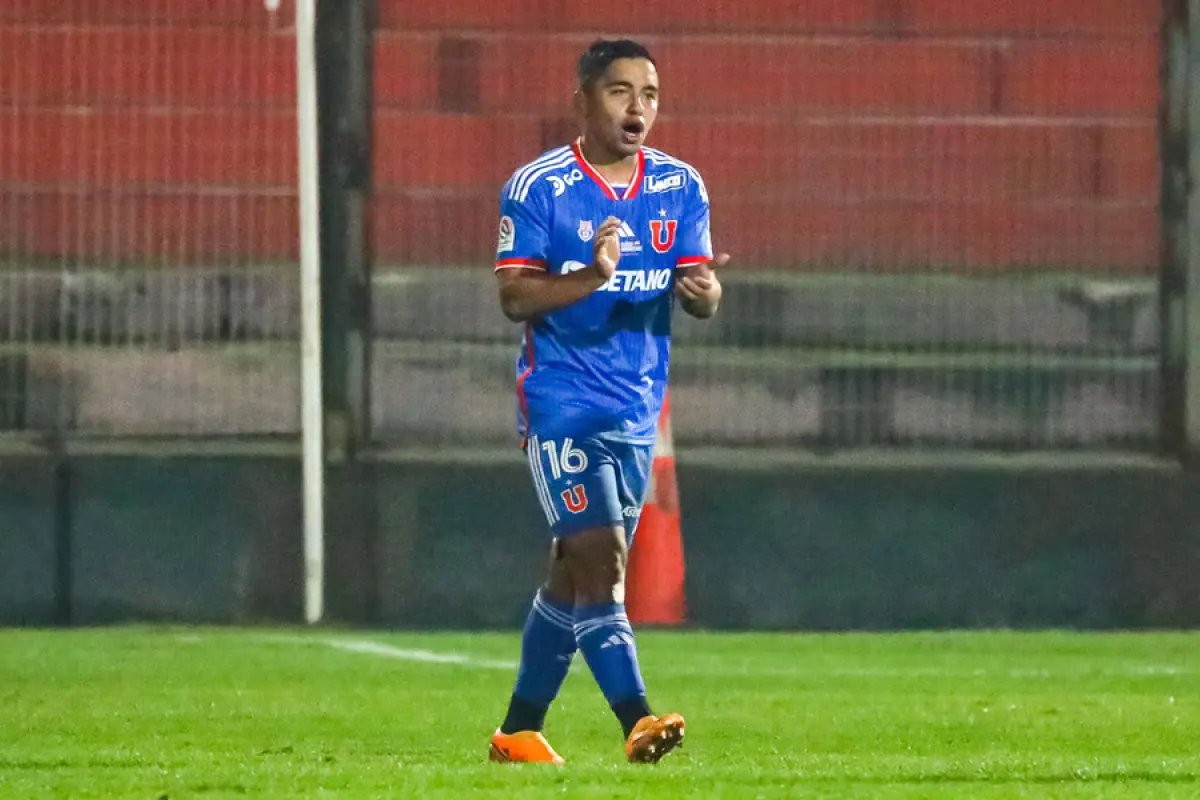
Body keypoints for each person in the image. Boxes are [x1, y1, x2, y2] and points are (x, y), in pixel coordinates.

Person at [487, 38, 728, 765]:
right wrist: (593, 275)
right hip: (561, 399)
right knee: (601, 556)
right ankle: (637, 720)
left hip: (634, 407)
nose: (638, 108)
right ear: (583, 101)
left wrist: (707, 294)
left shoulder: (681, 187)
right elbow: (513, 295)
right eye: (621, 91)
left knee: (574, 571)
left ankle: (517, 733)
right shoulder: (539, 188)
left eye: (650, 94)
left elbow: (702, 294)